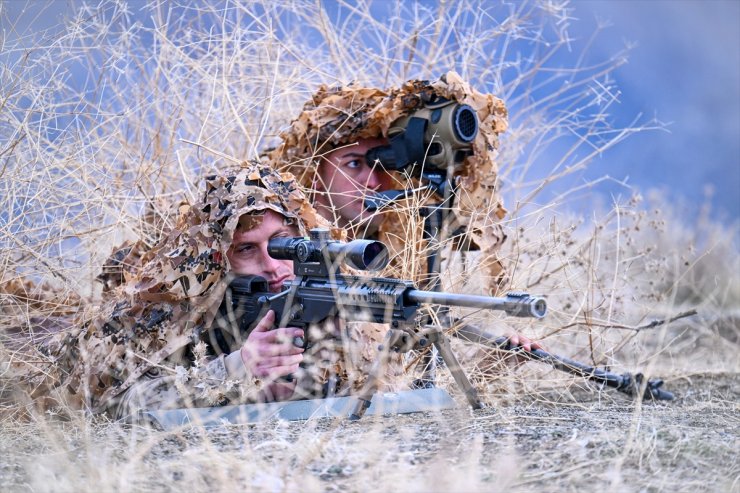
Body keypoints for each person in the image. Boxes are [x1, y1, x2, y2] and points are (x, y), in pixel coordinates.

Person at [10, 163, 384, 421]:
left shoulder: (333, 297)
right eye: (246, 249)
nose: (272, 264)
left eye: (282, 242)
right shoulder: (174, 307)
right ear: (219, 257)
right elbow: (116, 405)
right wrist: (236, 369)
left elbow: (385, 390)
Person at [266, 72, 542, 372]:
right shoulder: (274, 247)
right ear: (314, 172)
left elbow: (407, 377)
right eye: (354, 164)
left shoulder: (393, 256)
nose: (373, 181)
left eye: (381, 164)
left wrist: (491, 365)